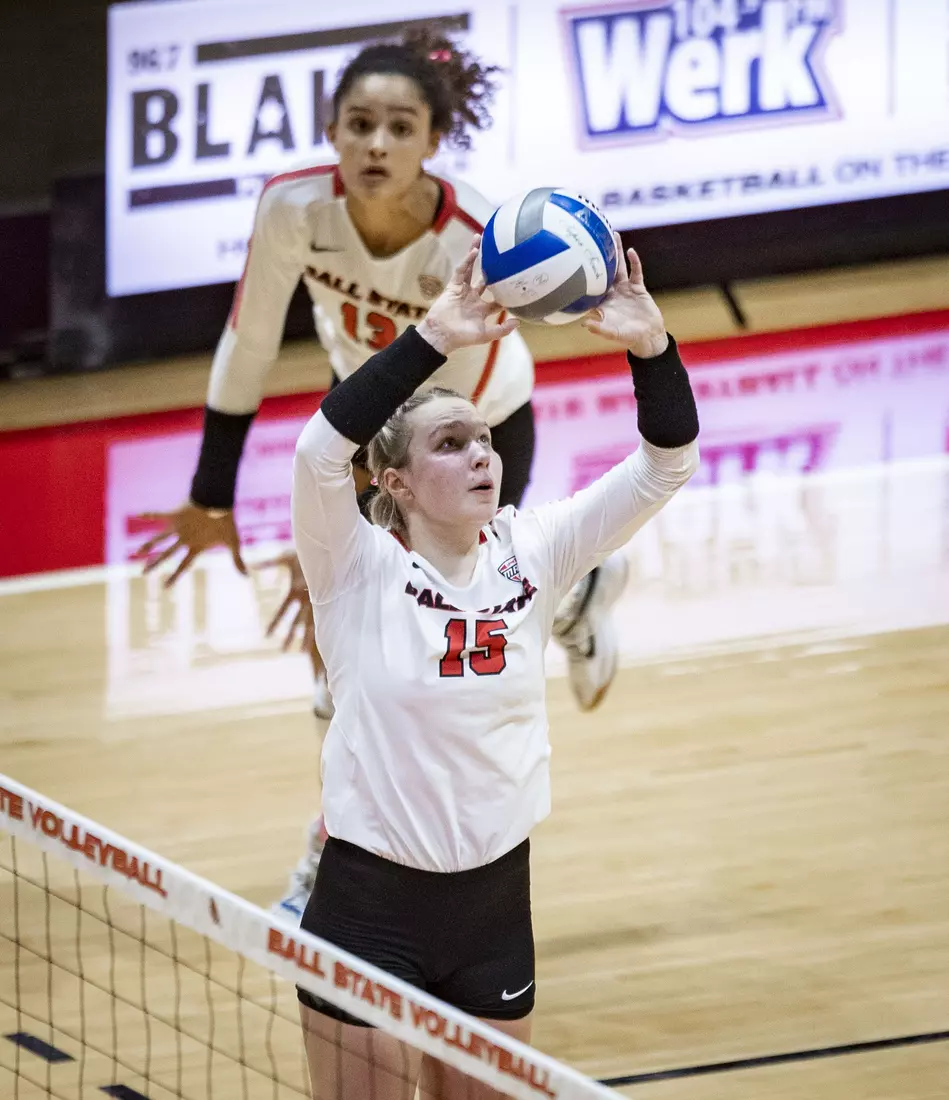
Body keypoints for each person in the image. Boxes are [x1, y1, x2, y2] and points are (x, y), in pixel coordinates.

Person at [134, 30, 628, 918]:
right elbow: (249, 344)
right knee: (345, 665)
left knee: (410, 649)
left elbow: (442, 419)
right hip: (369, 414)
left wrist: (344, 532)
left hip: (470, 427)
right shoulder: (292, 208)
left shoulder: (476, 239)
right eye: (358, 124)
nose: (375, 144)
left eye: (399, 128)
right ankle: (577, 591)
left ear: (431, 141)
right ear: (330, 130)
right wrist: (211, 492)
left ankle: (568, 592)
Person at [292, 236, 698, 1099]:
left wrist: (652, 348)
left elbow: (666, 465)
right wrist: (434, 337)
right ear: (395, 484)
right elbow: (316, 455)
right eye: (449, 444)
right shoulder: (355, 566)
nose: (481, 454)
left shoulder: (534, 548)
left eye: (484, 439)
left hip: (493, 909)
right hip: (368, 908)